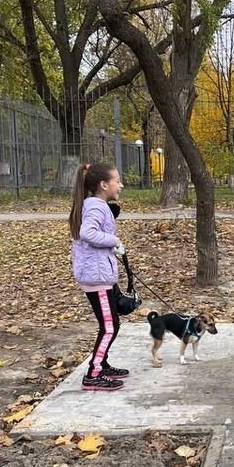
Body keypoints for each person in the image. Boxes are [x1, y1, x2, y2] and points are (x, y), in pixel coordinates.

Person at [69, 161, 130, 391]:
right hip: (96, 277)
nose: (120, 185)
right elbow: (88, 233)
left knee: (109, 324)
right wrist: (114, 241)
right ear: (104, 185)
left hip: (96, 273)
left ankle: (101, 364)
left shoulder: (93, 204)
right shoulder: (96, 206)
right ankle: (93, 374)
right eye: (117, 181)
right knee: (110, 326)